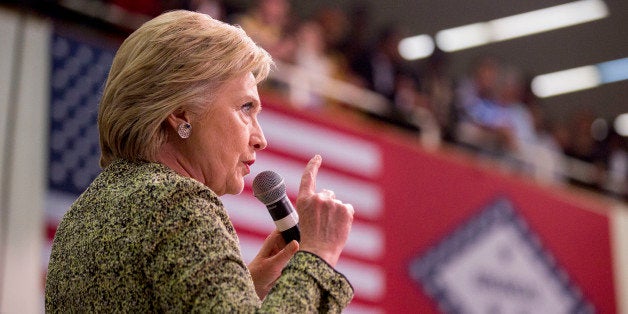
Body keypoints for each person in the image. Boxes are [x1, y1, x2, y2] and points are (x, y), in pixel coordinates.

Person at [45, 10, 355, 312]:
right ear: (181, 113)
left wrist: (247, 288)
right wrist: (318, 257)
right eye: (246, 108)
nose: (261, 137)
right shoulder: (178, 203)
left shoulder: (81, 214)